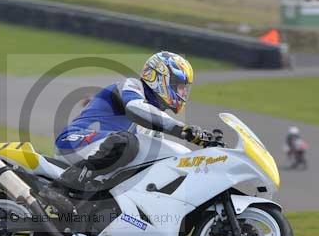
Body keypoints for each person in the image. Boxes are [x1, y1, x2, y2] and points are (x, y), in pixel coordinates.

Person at [49, 51, 209, 192]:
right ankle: (61, 187)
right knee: (126, 143)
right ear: (160, 77)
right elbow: (135, 107)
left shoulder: (153, 121)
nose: (183, 93)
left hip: (99, 153)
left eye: (185, 88)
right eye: (179, 86)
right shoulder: (132, 86)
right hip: (73, 140)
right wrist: (182, 129)